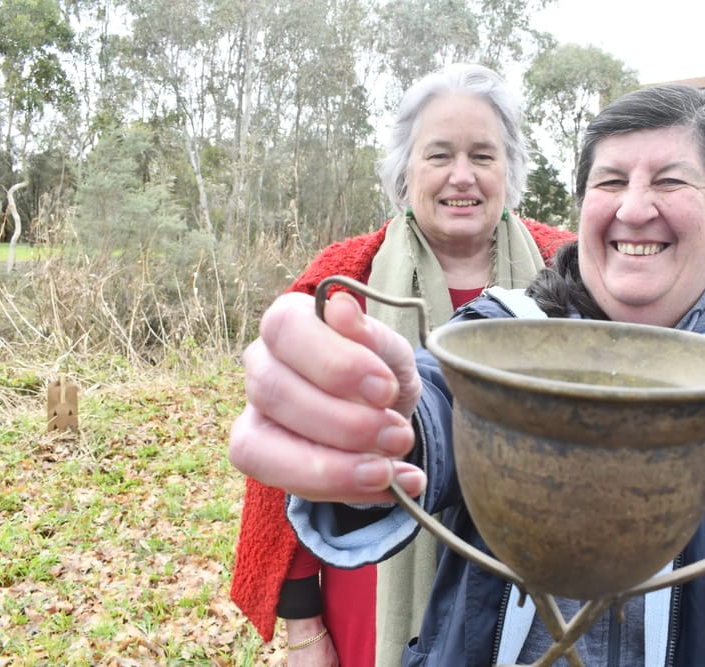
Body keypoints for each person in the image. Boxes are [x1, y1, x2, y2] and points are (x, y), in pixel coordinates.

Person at [228, 83, 705, 666]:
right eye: (611, 181)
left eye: (670, 181)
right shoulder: (506, 328)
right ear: (583, 206)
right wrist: (373, 422)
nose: (633, 207)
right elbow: (435, 410)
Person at [229, 62, 575, 666]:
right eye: (439, 155)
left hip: (531, 598)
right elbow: (289, 468)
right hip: (371, 587)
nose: (461, 176)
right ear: (405, 170)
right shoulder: (344, 282)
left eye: (483, 155)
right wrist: (304, 629)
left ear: (510, 169)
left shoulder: (569, 270)